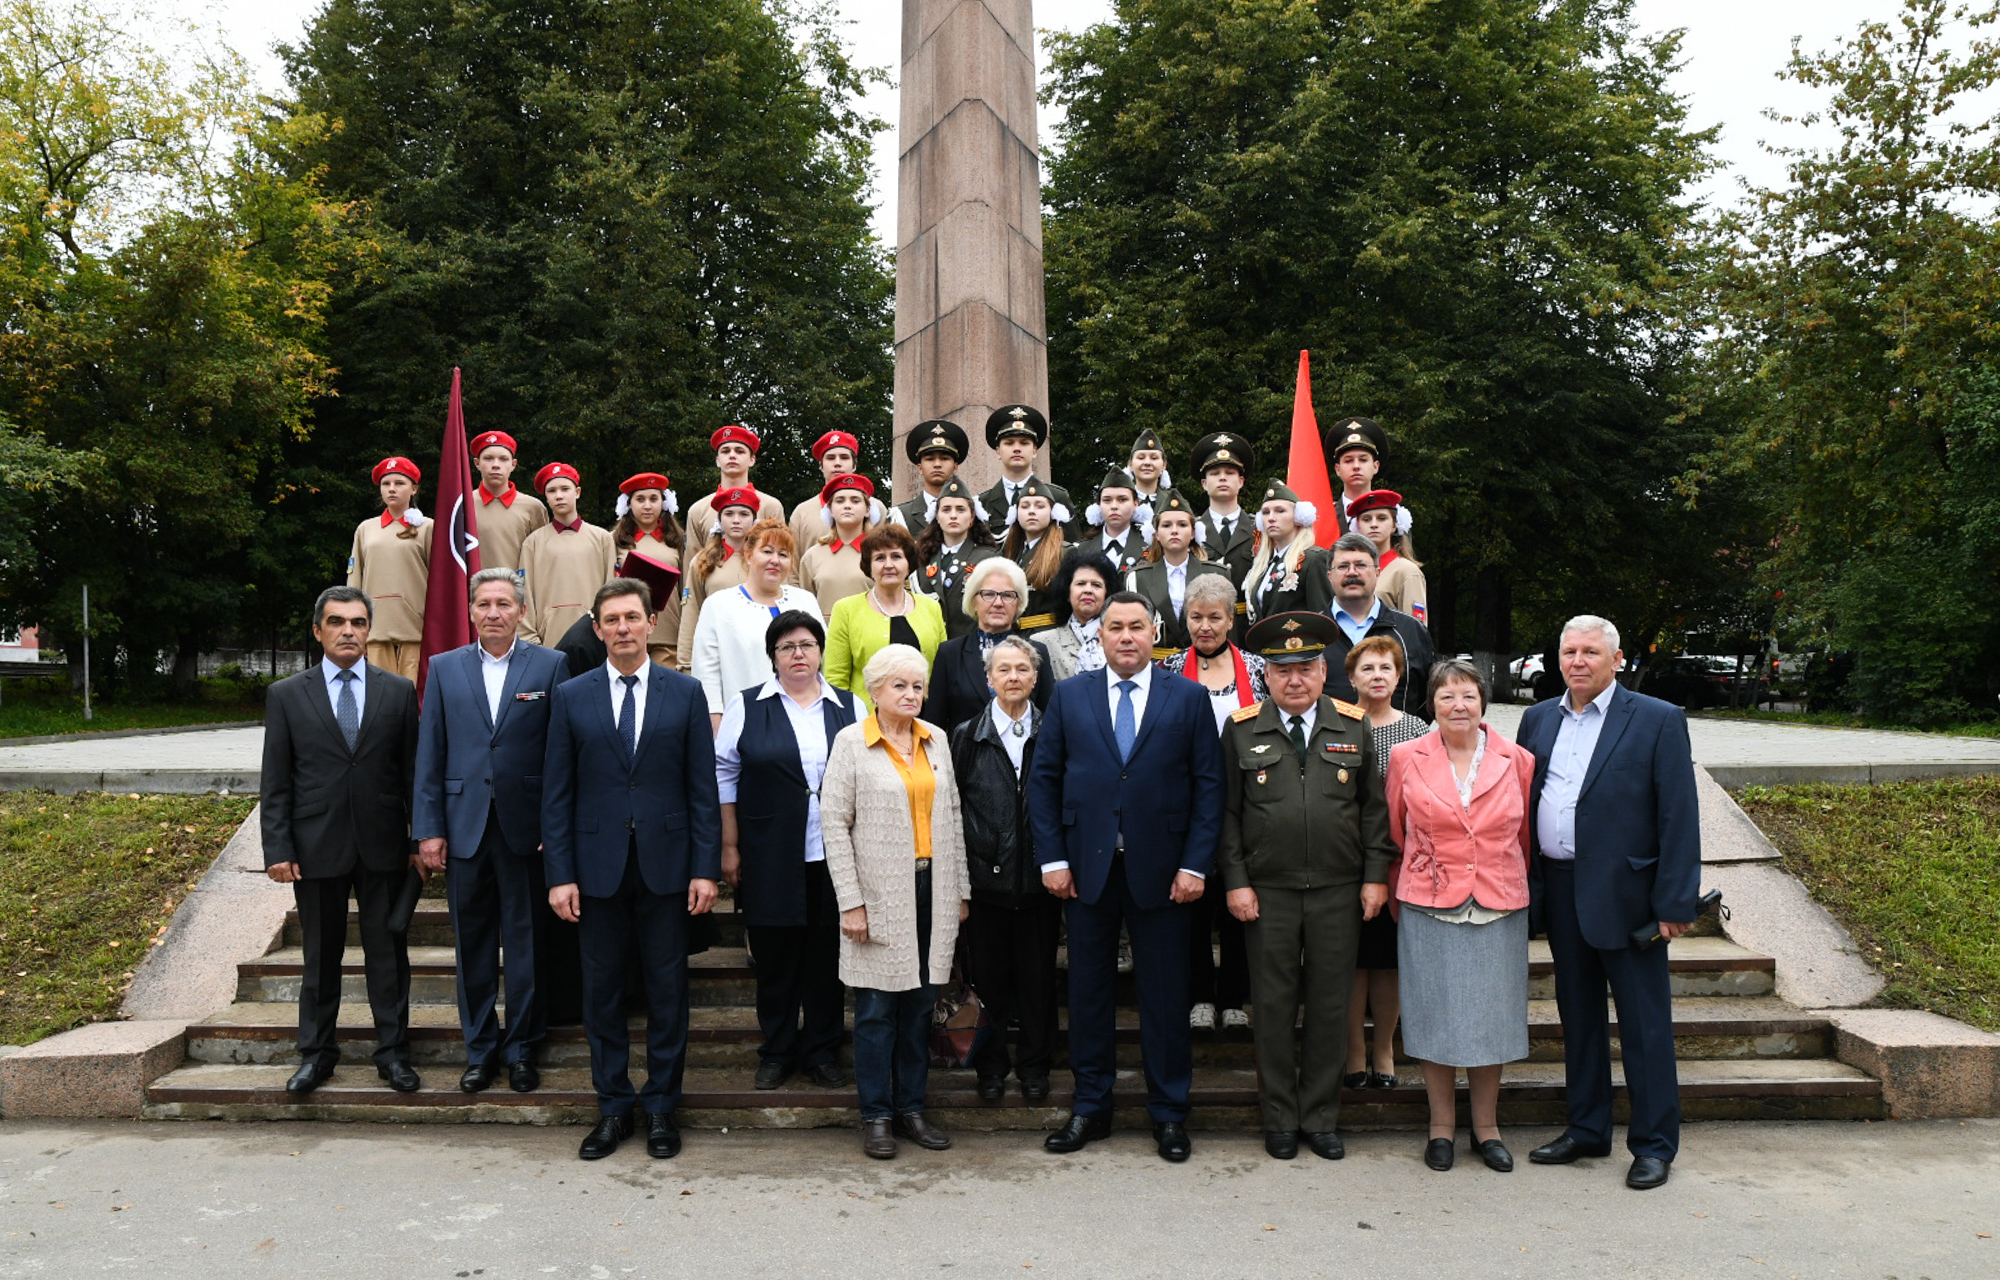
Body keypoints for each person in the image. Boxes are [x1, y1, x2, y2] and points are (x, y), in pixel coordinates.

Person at [1029, 592, 1224, 1163]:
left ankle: (1168, 1114)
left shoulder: (1187, 697)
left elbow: (1209, 786)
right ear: (1100, 635)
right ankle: (1092, 1107)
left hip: (1165, 873)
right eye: (1115, 627)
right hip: (1086, 870)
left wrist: (1194, 864)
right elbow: (1044, 782)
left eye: (1137, 626)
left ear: (1154, 631)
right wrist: (1053, 859)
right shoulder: (1069, 695)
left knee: (1165, 997)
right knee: (1088, 995)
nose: (1126, 637)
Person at [542, 578, 722, 1161]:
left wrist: (705, 868)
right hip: (595, 872)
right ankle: (614, 1107)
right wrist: (560, 874)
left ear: (651, 623)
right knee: (602, 993)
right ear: (597, 629)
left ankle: (663, 1107)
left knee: (669, 992)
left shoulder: (685, 693)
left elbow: (702, 787)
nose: (622, 628)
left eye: (632, 617)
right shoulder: (572, 696)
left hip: (668, 870)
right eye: (611, 620)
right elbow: (557, 793)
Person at [1521, 615, 1699, 1191]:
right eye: (1568, 650)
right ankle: (1587, 1128)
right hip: (1563, 887)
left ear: (1616, 660)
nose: (1577, 661)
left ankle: (1652, 1144)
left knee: (1645, 1025)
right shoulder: (1537, 718)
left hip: (1631, 895)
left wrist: (1675, 901)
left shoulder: (1657, 720)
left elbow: (1678, 815)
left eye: (1590, 652)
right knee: (1579, 1019)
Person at [1218, 611, 1393, 1161]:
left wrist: (1373, 879)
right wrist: (1237, 881)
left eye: (1306, 667)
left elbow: (1373, 812)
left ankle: (1319, 1117)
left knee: (1329, 1005)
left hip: (1339, 890)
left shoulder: (1352, 723)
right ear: (1266, 675)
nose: (1295, 679)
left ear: (1323, 673)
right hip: (1266, 892)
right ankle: (1278, 1118)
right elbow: (1227, 814)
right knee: (1271, 1007)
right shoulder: (1242, 728)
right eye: (1282, 669)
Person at [260, 585, 422, 1096]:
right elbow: (276, 779)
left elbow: (413, 775)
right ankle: (316, 1056)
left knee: (388, 957)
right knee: (319, 958)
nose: (347, 630)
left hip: (384, 846)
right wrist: (278, 848)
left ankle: (393, 1055)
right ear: (318, 631)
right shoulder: (286, 695)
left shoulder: (397, 693)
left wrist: (420, 840)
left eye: (356, 622)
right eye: (336, 622)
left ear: (369, 629)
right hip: (315, 847)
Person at [412, 568, 569, 1094]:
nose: (494, 613)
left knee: (526, 945)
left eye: (504, 603)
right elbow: (430, 752)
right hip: (462, 830)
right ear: (472, 611)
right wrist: (428, 829)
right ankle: (480, 1050)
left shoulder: (551, 666)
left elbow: (560, 754)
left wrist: (557, 824)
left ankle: (522, 1049)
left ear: (521, 612)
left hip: (526, 830)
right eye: (484, 604)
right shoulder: (444, 667)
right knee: (472, 947)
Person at [820, 644, 971, 1159]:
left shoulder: (937, 741)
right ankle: (877, 1115)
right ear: (875, 690)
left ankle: (912, 1109)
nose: (911, 695)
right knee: (877, 1011)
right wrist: (851, 903)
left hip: (935, 887)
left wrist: (961, 892)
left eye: (918, 685)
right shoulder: (850, 743)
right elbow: (833, 826)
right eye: (899, 686)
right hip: (879, 893)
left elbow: (951, 815)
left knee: (921, 1007)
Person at [1386, 659, 1537, 1173]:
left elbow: (1524, 838)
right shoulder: (1406, 757)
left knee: (1491, 1019)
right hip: (1428, 901)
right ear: (1431, 704)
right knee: (1433, 1016)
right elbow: (1396, 830)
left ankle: (1488, 1127)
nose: (1458, 705)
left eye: (1468, 695)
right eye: (1447, 696)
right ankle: (1441, 1127)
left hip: (1499, 901)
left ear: (1483, 703)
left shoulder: (1517, 758)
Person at [714, 610, 858, 1091]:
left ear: (820, 652)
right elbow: (725, 775)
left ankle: (821, 1050)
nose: (798, 655)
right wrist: (729, 845)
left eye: (806, 645)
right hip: (768, 850)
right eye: (787, 647)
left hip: (835, 855)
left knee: (825, 959)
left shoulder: (851, 706)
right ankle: (776, 1050)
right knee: (775, 958)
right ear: (773, 657)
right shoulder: (748, 705)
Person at [949, 635, 1059, 1102]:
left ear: (1035, 678)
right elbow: (951, 810)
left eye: (1022, 669)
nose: (1013, 677)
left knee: (1038, 983)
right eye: (1003, 669)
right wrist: (960, 883)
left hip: (1039, 881)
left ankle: (1035, 1068)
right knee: (989, 983)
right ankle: (990, 1070)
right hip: (984, 882)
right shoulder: (966, 735)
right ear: (989, 678)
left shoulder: (1054, 729)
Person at [1159, 573, 1264, 1036]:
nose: (1205, 626)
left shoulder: (1258, 669)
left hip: (1249, 801)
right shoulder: (1168, 668)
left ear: (1230, 618)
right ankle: (1200, 994)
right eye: (1196, 617)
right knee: (1193, 902)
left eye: (1215, 617)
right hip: (1187, 803)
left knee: (1239, 900)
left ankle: (1234, 996)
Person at [1342, 634, 1427, 1091]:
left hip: (1401, 862)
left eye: (1386, 668)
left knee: (1388, 962)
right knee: (1353, 961)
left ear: (1398, 677)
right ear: (1351, 677)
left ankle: (1384, 1049)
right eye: (1368, 668)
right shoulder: (1337, 722)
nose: (1377, 676)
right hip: (1347, 860)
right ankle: (1354, 1049)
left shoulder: (1417, 729)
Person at [690, 519, 819, 730]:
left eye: (783, 554)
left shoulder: (805, 601)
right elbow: (707, 676)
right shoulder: (719, 605)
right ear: (748, 555)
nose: (775, 560)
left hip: (806, 723)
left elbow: (821, 661)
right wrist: (717, 730)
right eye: (767, 551)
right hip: (745, 726)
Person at [921, 557, 1056, 733]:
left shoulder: (1037, 652)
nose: (998, 603)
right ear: (973, 602)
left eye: (1008, 595)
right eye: (989, 594)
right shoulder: (950, 653)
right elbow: (933, 725)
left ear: (1018, 604)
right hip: (965, 758)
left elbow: (1050, 721)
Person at [824, 523, 946, 710]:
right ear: (869, 566)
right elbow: (836, 679)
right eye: (880, 558)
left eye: (896, 556)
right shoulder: (845, 610)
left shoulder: (931, 608)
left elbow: (941, 674)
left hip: (924, 721)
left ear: (909, 564)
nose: (888, 565)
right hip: (866, 723)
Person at [1324, 533, 1434, 718]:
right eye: (1343, 566)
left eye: (1360, 565)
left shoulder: (1410, 631)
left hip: (1398, 743)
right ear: (1329, 576)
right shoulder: (1313, 632)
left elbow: (1428, 695)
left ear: (1377, 572)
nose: (1352, 572)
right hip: (1326, 744)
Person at [346, 456, 431, 681]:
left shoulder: (428, 528)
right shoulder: (366, 529)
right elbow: (355, 580)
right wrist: (354, 623)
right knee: (380, 694)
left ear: (413, 489)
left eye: (399, 483)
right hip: (376, 626)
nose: (391, 489)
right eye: (386, 484)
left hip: (416, 628)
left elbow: (439, 581)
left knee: (414, 695)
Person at [519, 462, 616, 646]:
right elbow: (525, 593)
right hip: (548, 640)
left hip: (594, 638)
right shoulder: (533, 543)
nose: (559, 496)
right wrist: (530, 639)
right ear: (546, 497)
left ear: (577, 492)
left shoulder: (602, 538)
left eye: (565, 489)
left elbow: (611, 588)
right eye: (552, 491)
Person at [1129, 489, 1229, 656]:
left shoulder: (1216, 574)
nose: (1174, 531)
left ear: (1192, 533)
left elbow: (1227, 629)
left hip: (1203, 663)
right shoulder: (1137, 578)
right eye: (1167, 525)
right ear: (1157, 535)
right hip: (1156, 666)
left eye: (1182, 525)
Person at [676, 484, 763, 669]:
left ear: (754, 520)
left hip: (759, 653)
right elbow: (691, 612)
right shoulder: (702, 561)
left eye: (744, 514)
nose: (736, 520)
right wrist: (685, 663)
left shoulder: (765, 560)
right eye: (729, 514)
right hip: (715, 653)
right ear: (719, 519)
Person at [611, 471, 686, 669]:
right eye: (640, 499)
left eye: (654, 499)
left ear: (664, 502)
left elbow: (686, 590)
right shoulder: (613, 540)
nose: (647, 506)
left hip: (668, 634)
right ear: (628, 504)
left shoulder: (679, 541)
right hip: (626, 631)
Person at [680, 424, 787, 562]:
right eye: (725, 451)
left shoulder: (771, 506)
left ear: (752, 460)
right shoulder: (698, 510)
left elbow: (782, 557)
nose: (732, 455)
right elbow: (691, 563)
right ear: (717, 461)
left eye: (739, 451)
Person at [912, 475, 999, 640]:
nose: (953, 515)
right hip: (931, 649)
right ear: (937, 517)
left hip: (972, 648)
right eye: (946, 510)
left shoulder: (988, 559)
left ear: (972, 517)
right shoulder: (921, 558)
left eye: (960, 509)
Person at [978, 404, 1076, 538]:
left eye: (1024, 443)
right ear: (998, 451)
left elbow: (1074, 549)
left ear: (1035, 451)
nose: (1017, 448)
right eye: (1009, 443)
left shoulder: (1057, 497)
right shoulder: (982, 503)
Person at [1241, 481, 1332, 624]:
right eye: (1265, 512)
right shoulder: (1263, 565)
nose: (1271, 518)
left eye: (1280, 511)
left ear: (1299, 517)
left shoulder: (1314, 559)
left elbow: (1323, 618)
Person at [795, 472, 882, 617]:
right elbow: (806, 607)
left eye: (855, 501)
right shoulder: (812, 556)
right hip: (825, 636)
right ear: (829, 510)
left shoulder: (880, 554)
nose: (847, 506)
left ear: (868, 510)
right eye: (840, 501)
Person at [1192, 433, 1257, 610]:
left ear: (1241, 481)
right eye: (1215, 473)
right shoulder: (1190, 531)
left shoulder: (1260, 528)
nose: (1222, 478)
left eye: (1230, 473)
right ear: (1204, 484)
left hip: (1248, 624)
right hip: (1206, 623)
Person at [469, 430, 549, 574]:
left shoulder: (533, 508)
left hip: (517, 592)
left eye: (503, 459)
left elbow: (541, 558)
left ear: (513, 464)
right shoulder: (463, 504)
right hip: (473, 592)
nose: (495, 465)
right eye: (488, 458)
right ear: (477, 463)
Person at [999, 476, 1068, 632]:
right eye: (1025, 506)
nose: (1031, 511)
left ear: (1053, 513)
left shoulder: (1065, 552)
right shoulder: (1009, 554)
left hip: (1048, 635)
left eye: (1039, 506)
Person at [1348, 489, 1427, 624]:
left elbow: (1416, 631)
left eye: (1382, 518)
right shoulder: (1348, 570)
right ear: (1358, 527)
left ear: (1394, 525)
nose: (1373, 524)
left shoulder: (1407, 571)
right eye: (1366, 519)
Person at [1039, 551, 1117, 681]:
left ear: (1107, 594)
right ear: (1067, 592)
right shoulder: (1042, 642)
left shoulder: (1119, 639)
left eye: (1096, 585)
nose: (1088, 590)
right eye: (1081, 584)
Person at [788, 430, 866, 550]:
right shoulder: (802, 513)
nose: (837, 463)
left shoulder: (875, 508)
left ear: (854, 465)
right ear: (821, 466)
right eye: (830, 458)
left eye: (844, 457)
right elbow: (792, 563)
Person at [897, 419, 970, 530]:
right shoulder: (901, 516)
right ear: (920, 468)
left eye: (944, 459)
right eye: (930, 459)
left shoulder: (971, 511)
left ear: (955, 467)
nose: (937, 464)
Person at [1073, 470, 1150, 575]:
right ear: (1099, 505)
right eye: (1107, 500)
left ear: (1135, 504)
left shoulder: (1150, 546)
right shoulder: (1081, 549)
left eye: (1122, 500)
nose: (1114, 506)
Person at [1324, 416, 1387, 533]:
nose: (1356, 466)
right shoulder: (1324, 516)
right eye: (1348, 461)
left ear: (1375, 466)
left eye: (1363, 460)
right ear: (1338, 469)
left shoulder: (1391, 516)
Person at [1124, 427, 1172, 522]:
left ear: (1163, 465)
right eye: (1141, 458)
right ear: (1130, 465)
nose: (1147, 462)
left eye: (1154, 458)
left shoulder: (1172, 500)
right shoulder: (1120, 500)